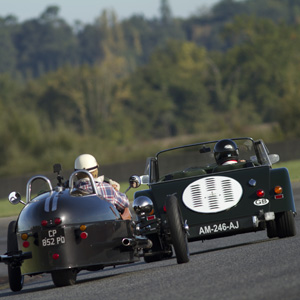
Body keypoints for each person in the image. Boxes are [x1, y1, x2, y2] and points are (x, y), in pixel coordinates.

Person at [74, 154, 131, 220]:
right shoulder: (106, 188)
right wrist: (116, 190)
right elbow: (125, 203)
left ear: (76, 174)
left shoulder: (70, 191)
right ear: (95, 171)